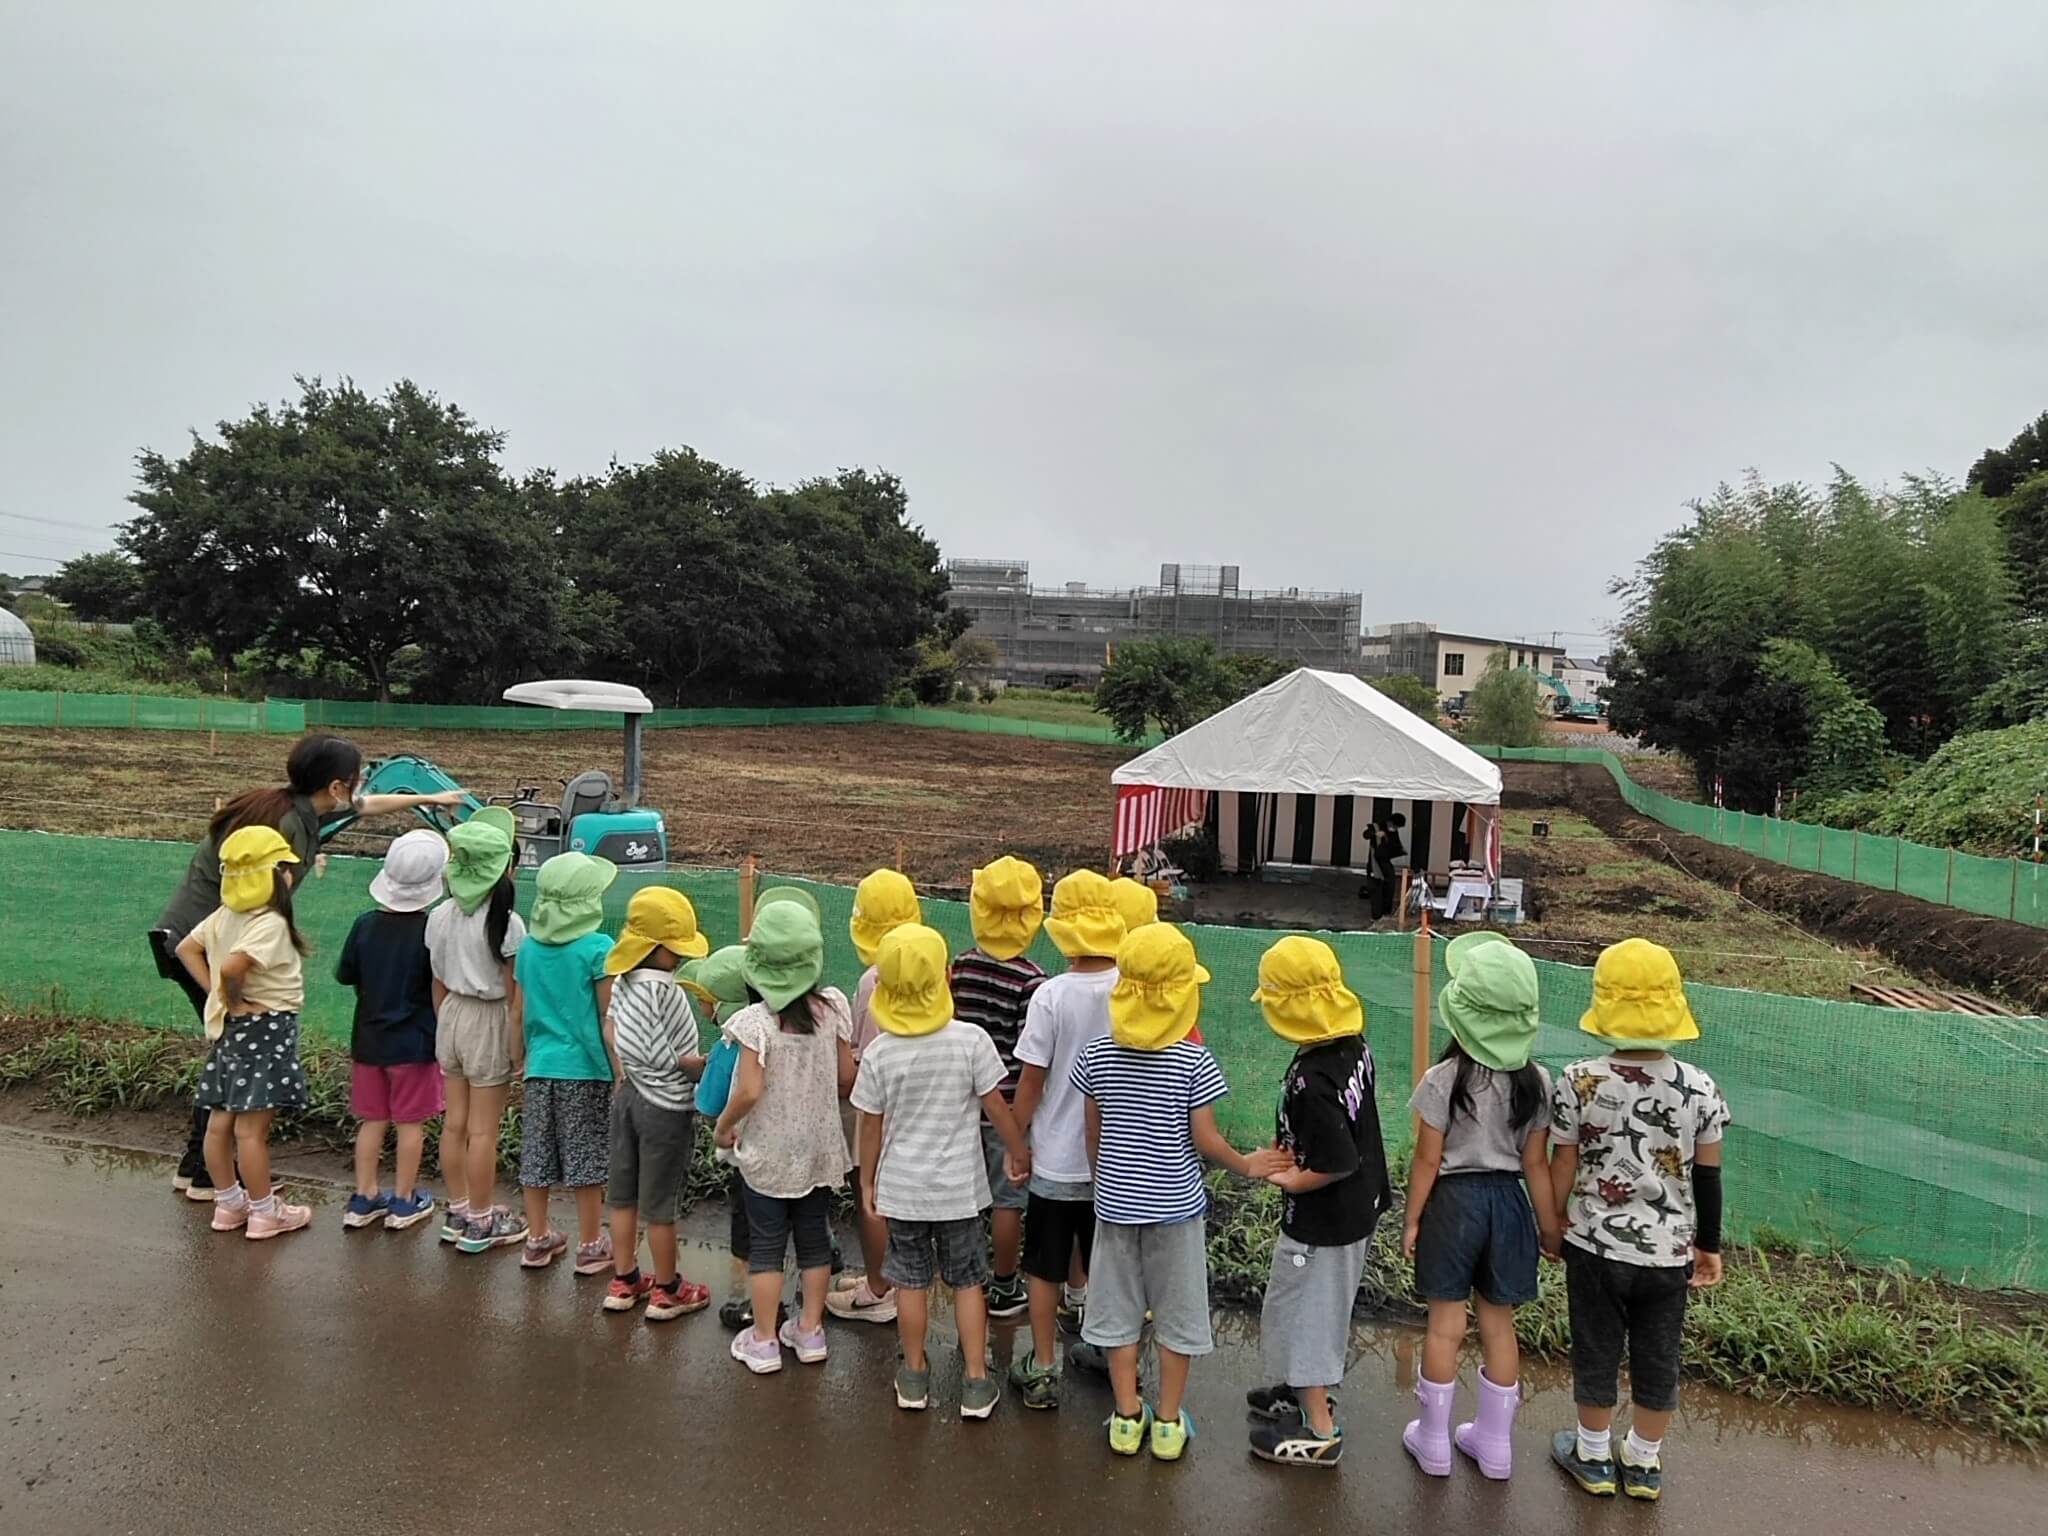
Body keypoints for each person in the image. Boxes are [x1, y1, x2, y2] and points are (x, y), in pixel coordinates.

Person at [149, 734, 468, 1200]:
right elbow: (238, 923)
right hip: (206, 947)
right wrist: (227, 994)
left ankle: (200, 1169)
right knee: (240, 1062)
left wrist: (430, 797)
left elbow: (366, 805)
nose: (359, 789)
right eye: (355, 780)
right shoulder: (285, 827)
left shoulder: (295, 805)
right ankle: (214, 1178)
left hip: (202, 942)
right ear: (336, 786)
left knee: (229, 1057)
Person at [1549, 939, 1729, 1504]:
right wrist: (1709, 1245)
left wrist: (1553, 1222)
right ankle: (1644, 1462)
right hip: (1669, 1253)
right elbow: (1708, 1177)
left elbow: (1564, 1162)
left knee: (1596, 1346)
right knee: (1659, 1353)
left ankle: (1593, 1454)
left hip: (1596, 1244)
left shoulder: (1579, 1080)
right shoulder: (1700, 1087)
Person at [1071, 923, 1257, 1462]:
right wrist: (1247, 1165)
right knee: (1177, 1314)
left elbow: (1093, 1132)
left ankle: (1127, 1416)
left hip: (1114, 1206)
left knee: (1118, 1313)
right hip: (1176, 1210)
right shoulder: (1193, 1060)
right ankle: (1170, 1421)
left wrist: (1102, 1180)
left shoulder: (1098, 1053)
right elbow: (1206, 1140)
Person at [852, 924, 1031, 1418]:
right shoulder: (969, 1041)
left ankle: (913, 1376)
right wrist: (1017, 1151)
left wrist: (868, 1180)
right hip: (959, 1192)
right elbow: (997, 1107)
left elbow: (871, 1127)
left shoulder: (880, 1052)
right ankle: (975, 1381)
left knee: (911, 1283)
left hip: (902, 1191)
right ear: (947, 978)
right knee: (968, 1282)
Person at [1400, 932, 1557, 1480]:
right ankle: (1495, 1446)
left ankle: (1434, 1442)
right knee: (1499, 1326)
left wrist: (1413, 1217)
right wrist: (1550, 1226)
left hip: (1452, 1205)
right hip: (1510, 1207)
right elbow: (1537, 1164)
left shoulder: (1443, 1079)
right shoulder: (1538, 1082)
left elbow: (1426, 1160)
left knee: (1445, 1325)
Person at [1242, 936, 1392, 1468]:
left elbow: (1335, 1162)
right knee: (1304, 1302)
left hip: (1325, 1220)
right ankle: (1297, 1392)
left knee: (1309, 1312)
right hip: (1358, 1208)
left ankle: (1319, 1430)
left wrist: (1291, 1180)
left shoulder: (1312, 1080)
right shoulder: (1351, 1046)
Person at [713, 901, 855, 1375]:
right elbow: (845, 1077)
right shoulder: (832, 1008)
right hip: (818, 1151)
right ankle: (811, 1331)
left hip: (768, 1156)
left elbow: (750, 1089)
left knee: (767, 1247)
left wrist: (724, 1125)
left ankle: (765, 1339)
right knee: (814, 1241)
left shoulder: (755, 1022)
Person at [1007, 870, 1125, 1409]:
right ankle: (1104, 1348)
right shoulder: (1132, 987)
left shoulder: (1051, 995)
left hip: (1056, 1157)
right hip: (1119, 1159)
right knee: (1105, 1262)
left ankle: (1044, 1365)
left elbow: (1031, 1078)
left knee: (1045, 1265)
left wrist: (1016, 1141)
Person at [173, 826, 314, 1240]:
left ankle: (228, 1204)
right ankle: (265, 1212)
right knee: (251, 1131)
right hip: (266, 1027)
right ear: (273, 874)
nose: (290, 873)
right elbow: (234, 967)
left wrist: (217, 994)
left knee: (220, 1123)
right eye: (285, 866)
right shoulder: (267, 921)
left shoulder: (224, 915)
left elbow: (185, 948)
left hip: (231, 1032)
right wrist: (232, 995)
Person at [601, 886, 715, 1322]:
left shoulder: (625, 979)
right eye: (676, 949)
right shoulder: (662, 988)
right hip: (664, 1106)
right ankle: (668, 1289)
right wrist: (705, 1066)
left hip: (628, 1096)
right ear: (658, 948)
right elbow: (664, 1056)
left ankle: (625, 1279)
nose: (681, 958)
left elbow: (615, 1033)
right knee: (660, 1206)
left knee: (624, 1196)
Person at [335, 828, 450, 1232]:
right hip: (415, 1043)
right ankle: (404, 1199)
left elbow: (346, 974)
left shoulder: (364, 925)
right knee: (410, 1124)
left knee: (371, 1121)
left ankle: (364, 1196)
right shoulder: (431, 929)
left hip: (368, 1040)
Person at [950, 854, 1047, 1319]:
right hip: (1006, 1107)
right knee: (1008, 1198)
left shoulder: (960, 966)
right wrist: (1019, 1131)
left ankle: (965, 1273)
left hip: (963, 1100)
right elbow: (1030, 1060)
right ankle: (1005, 1286)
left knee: (968, 1195)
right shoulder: (1033, 982)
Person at [429, 808, 530, 1253]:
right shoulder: (507, 923)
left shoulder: (441, 915)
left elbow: (436, 980)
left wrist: (445, 1022)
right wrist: (517, 1050)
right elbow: (513, 998)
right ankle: (482, 1220)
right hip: (488, 1019)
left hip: (450, 1014)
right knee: (484, 1130)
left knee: (455, 1124)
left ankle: (458, 1210)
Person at [826, 868, 922, 1327]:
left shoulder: (872, 980)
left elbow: (861, 1064)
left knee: (870, 1194)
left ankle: (880, 1289)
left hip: (879, 1108)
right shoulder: (928, 960)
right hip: (919, 1099)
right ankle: (891, 1275)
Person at [515, 852, 618, 1273]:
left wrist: (519, 1059)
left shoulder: (527, 948)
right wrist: (618, 1070)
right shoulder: (598, 948)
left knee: (536, 1154)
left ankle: (537, 1239)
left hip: (540, 1065)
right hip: (585, 1069)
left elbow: (518, 1011)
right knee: (587, 1157)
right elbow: (606, 1016)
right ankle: (591, 1244)